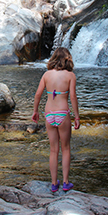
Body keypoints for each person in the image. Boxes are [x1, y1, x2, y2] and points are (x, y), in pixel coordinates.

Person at [32, 47, 80, 192]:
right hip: (63, 114)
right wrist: (77, 116)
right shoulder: (70, 76)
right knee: (65, 148)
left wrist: (35, 111)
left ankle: (54, 183)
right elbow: (72, 97)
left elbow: (38, 94)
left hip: (49, 114)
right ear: (68, 59)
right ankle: (65, 182)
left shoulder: (46, 75)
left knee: (53, 150)